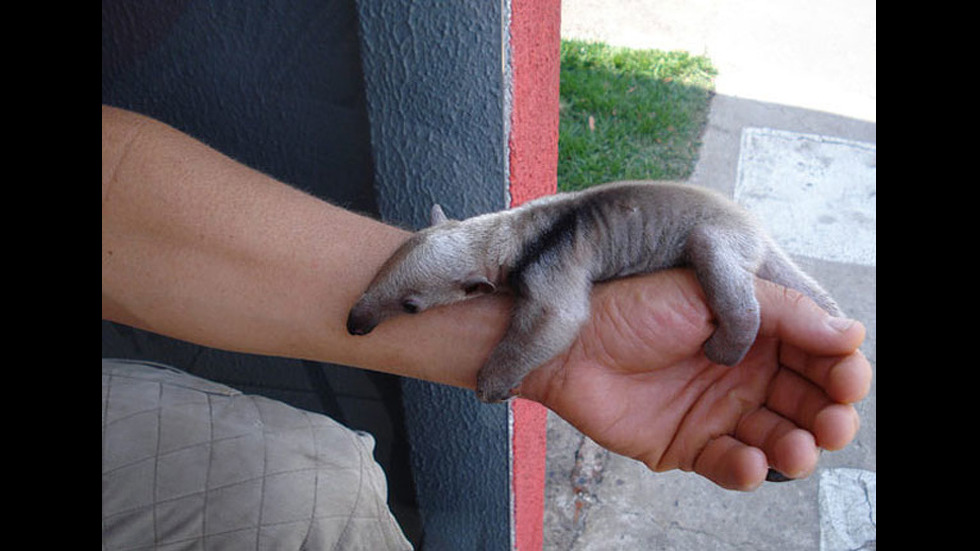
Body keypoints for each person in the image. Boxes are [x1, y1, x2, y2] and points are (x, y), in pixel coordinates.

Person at [102, 104, 870, 493]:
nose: (380, 314)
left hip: (718, 234)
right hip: (658, 227)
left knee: (739, 300)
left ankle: (738, 317)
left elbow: (561, 315)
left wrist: (500, 370)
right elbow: (489, 284)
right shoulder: (503, 237)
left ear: (477, 284)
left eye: (413, 305)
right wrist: (486, 350)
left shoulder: (538, 267)